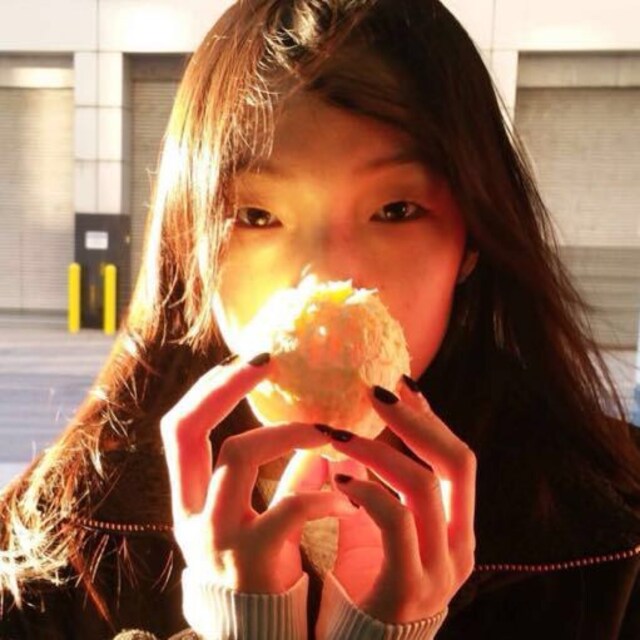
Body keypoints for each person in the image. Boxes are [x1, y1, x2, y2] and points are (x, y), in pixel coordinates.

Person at [2, 0, 640, 638]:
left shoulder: (612, 538)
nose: (329, 279)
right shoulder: (53, 548)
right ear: (189, 244)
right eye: (256, 216)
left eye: (396, 210)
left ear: (472, 238)